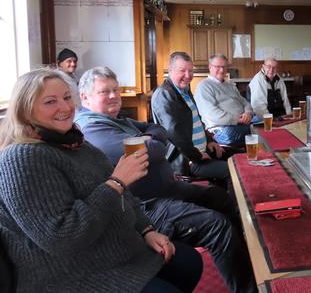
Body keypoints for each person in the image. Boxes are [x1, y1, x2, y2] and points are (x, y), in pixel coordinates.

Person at [0, 68, 202, 293]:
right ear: (25, 110)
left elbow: (125, 196)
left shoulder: (73, 143)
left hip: (114, 250)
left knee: (189, 262)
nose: (65, 107)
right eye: (50, 101)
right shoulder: (22, 158)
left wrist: (147, 230)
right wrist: (117, 182)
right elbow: (62, 237)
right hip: (73, 275)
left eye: (67, 97)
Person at [75, 66, 258, 293]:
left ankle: (251, 263)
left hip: (169, 188)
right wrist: (151, 141)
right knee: (217, 225)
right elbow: (155, 148)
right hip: (147, 206)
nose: (113, 96)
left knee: (221, 198)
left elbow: (157, 129)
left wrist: (150, 139)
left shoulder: (118, 120)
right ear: (85, 97)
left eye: (115, 90)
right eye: (105, 92)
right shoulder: (93, 128)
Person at [152, 52, 235, 186]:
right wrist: (196, 156)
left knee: (239, 157)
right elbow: (174, 133)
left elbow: (196, 119)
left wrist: (209, 141)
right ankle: (234, 205)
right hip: (187, 161)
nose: (188, 75)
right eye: (182, 70)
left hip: (202, 151)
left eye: (190, 71)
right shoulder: (164, 94)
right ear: (170, 70)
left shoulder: (184, 90)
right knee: (233, 170)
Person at [194, 54, 256, 146]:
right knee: (260, 131)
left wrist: (248, 113)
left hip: (240, 125)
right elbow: (212, 114)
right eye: (218, 67)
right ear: (210, 67)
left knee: (265, 125)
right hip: (222, 130)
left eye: (224, 67)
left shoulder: (230, 85)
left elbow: (245, 102)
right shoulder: (204, 86)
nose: (222, 70)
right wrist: (238, 119)